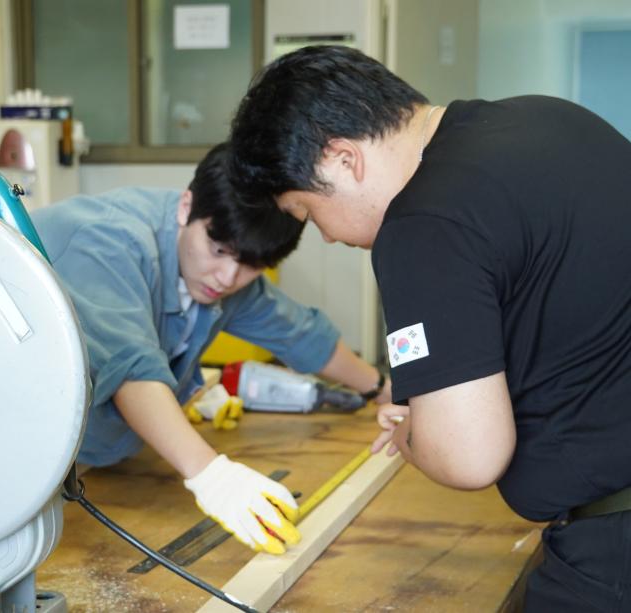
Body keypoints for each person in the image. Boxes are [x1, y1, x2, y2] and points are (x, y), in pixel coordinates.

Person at [227, 44, 631, 610]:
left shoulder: (421, 223)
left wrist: (415, 435)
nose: (329, 236)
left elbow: (468, 456)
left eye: (307, 213)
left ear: (343, 159)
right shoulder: (550, 118)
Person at [31, 142, 391, 556]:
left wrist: (384, 389)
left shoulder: (222, 265)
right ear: (187, 207)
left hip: (86, 462)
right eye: (219, 252)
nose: (227, 277)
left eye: (252, 265)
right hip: (17, 453)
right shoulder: (106, 242)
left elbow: (300, 334)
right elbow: (131, 371)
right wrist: (212, 475)